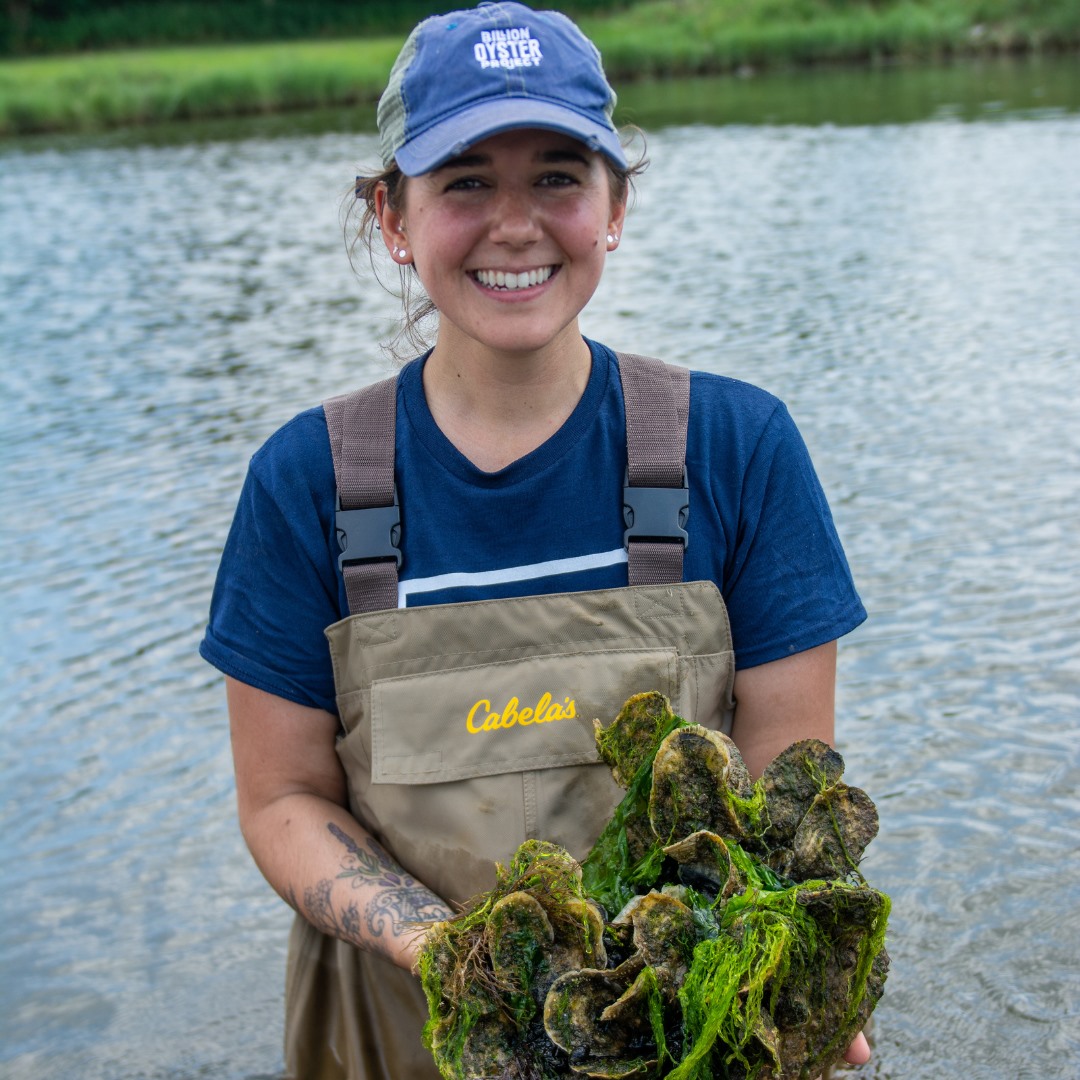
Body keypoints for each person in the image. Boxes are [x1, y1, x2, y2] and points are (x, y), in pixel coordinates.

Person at [200, 3, 872, 1077]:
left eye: (558, 176)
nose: (516, 224)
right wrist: (456, 955)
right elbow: (281, 798)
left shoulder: (738, 449)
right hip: (398, 1031)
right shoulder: (308, 481)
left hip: (679, 1035)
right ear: (394, 218)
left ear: (615, 209)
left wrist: (782, 961)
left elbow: (786, 780)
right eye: (465, 181)